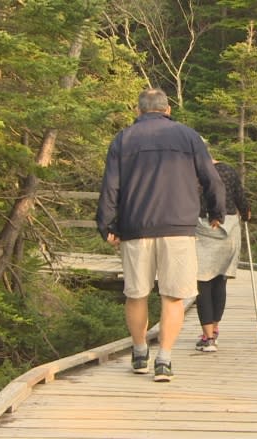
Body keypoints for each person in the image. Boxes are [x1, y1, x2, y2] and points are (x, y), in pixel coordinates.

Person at [96, 88, 225, 382]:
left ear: (138, 111)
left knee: (136, 293)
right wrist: (216, 212)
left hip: (135, 227)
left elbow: (110, 186)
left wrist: (107, 224)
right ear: (168, 110)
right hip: (177, 228)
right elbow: (211, 178)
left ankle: (140, 351)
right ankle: (164, 360)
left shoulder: (123, 139)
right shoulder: (189, 137)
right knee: (173, 296)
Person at [194, 145, 251, 352]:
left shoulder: (192, 174)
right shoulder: (227, 170)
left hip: (201, 229)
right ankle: (215, 329)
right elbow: (241, 199)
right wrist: (245, 213)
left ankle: (208, 337)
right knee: (220, 280)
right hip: (229, 227)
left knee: (203, 284)